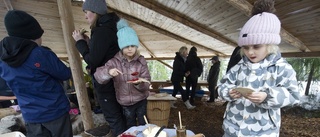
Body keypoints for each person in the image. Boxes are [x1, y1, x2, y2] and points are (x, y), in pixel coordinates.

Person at [217, 0, 300, 136]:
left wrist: (267, 96)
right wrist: (228, 92)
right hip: (232, 129)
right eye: (245, 48)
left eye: (256, 46)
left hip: (263, 131)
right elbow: (221, 86)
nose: (250, 52)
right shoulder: (238, 67)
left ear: (270, 44)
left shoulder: (282, 68)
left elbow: (294, 95)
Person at [0, 10, 72, 137]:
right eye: (39, 35)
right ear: (32, 36)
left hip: (30, 115)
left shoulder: (3, 59)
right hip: (55, 112)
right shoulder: (40, 54)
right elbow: (65, 73)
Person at [72, 0, 126, 136]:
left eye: (86, 12)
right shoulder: (111, 27)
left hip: (106, 81)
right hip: (115, 79)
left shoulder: (102, 31)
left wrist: (79, 42)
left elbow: (92, 60)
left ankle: (120, 134)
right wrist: (90, 43)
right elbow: (104, 52)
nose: (85, 16)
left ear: (95, 12)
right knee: (119, 115)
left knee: (114, 117)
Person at [94, 19, 150, 128]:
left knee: (145, 124)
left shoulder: (141, 61)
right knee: (130, 126)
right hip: (125, 103)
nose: (130, 49)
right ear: (121, 46)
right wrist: (109, 72)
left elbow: (147, 82)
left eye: (132, 46)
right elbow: (98, 76)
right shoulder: (114, 62)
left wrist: (139, 83)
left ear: (136, 47)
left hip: (141, 99)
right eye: (126, 46)